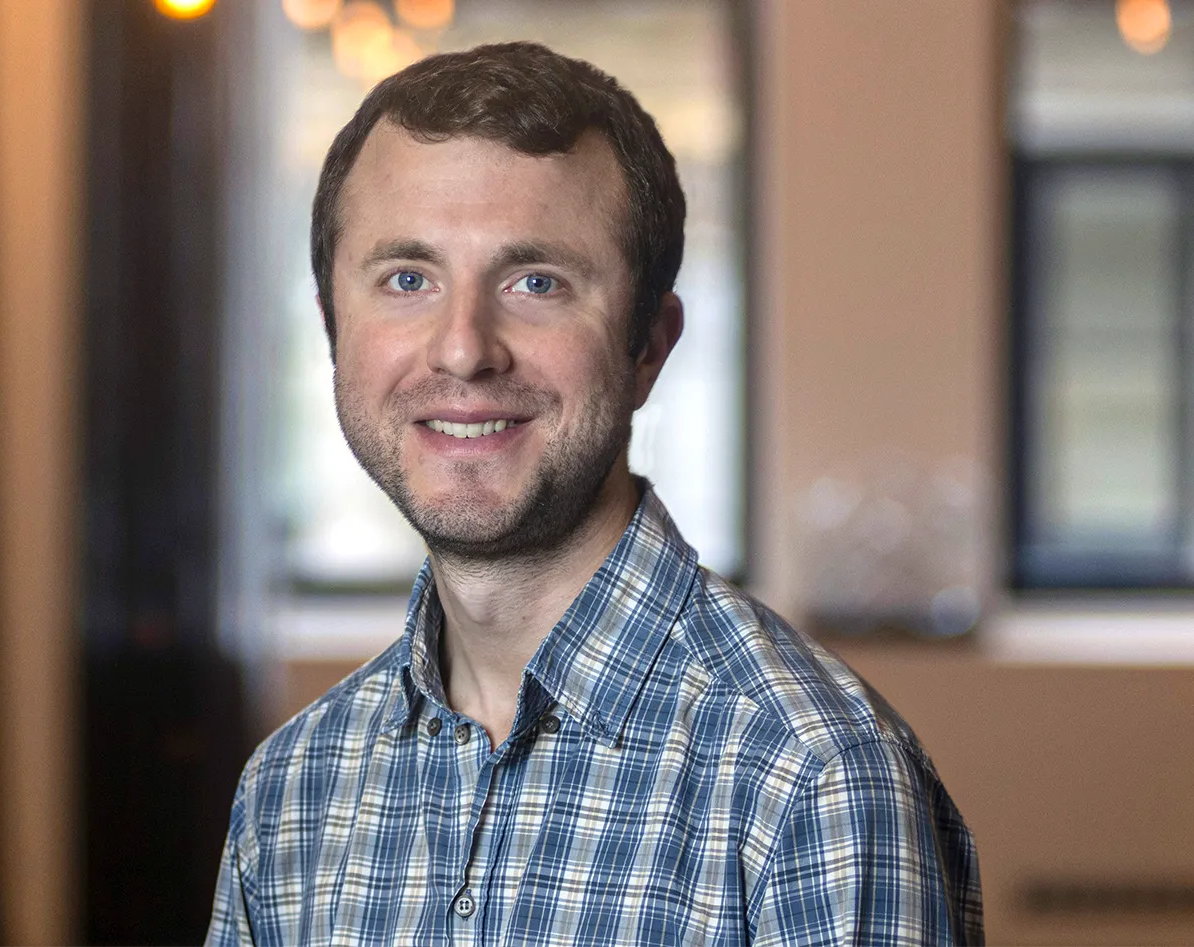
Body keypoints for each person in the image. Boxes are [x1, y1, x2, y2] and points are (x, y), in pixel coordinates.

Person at [206, 41, 983, 946]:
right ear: (335, 329)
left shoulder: (813, 780)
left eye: (536, 281)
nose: (463, 349)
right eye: (407, 279)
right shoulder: (291, 789)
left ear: (649, 345)